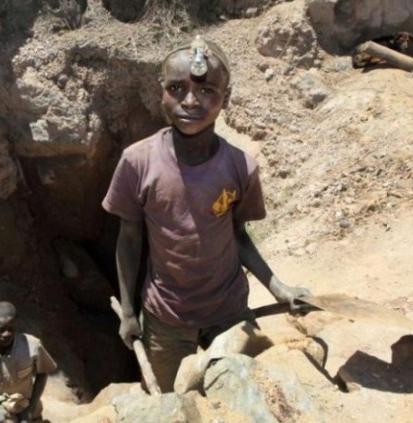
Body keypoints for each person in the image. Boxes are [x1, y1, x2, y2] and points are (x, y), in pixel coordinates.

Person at [102, 35, 311, 392]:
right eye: (176, 88)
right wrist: (128, 311)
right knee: (169, 396)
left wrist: (278, 287)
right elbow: (130, 239)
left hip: (228, 311)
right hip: (166, 317)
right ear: (160, 92)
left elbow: (238, 236)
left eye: (206, 91)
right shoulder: (137, 162)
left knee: (238, 392)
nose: (189, 101)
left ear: (225, 99)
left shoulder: (240, 167)